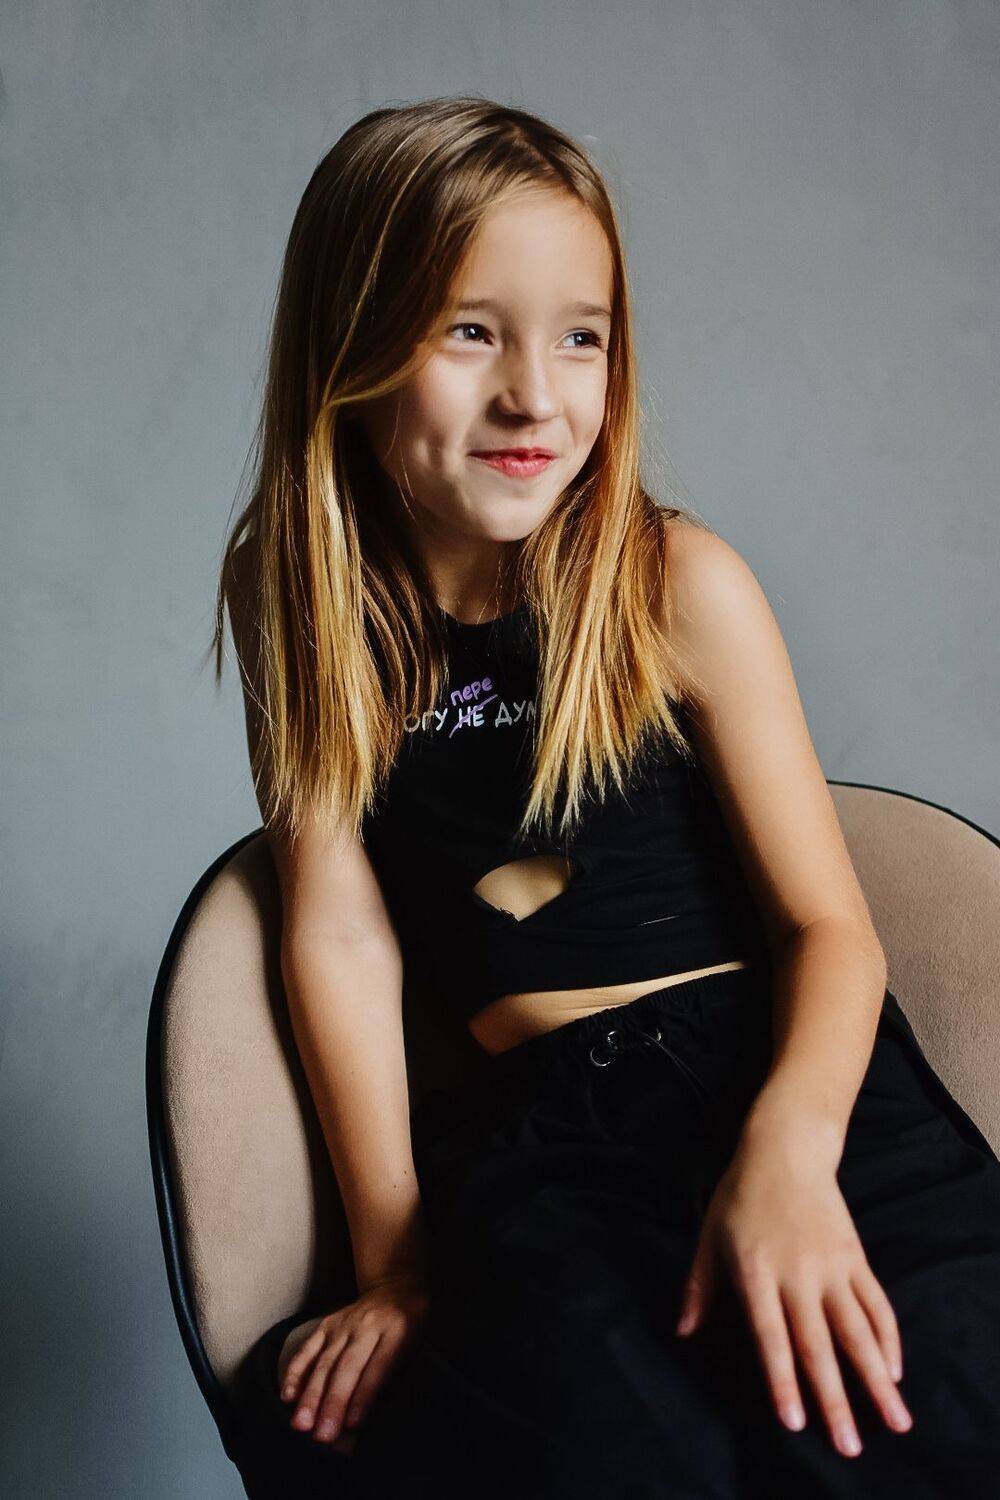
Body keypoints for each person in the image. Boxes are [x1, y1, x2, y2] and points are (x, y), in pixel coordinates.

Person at [212, 96, 1000, 1499]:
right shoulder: (301, 602)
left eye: (582, 336)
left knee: (919, 1396)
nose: (537, 395)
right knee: (604, 1443)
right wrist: (396, 1263)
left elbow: (830, 930)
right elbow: (337, 930)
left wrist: (788, 1160)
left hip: (779, 1083)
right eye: (471, 331)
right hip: (545, 1147)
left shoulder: (676, 582)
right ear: (348, 344)